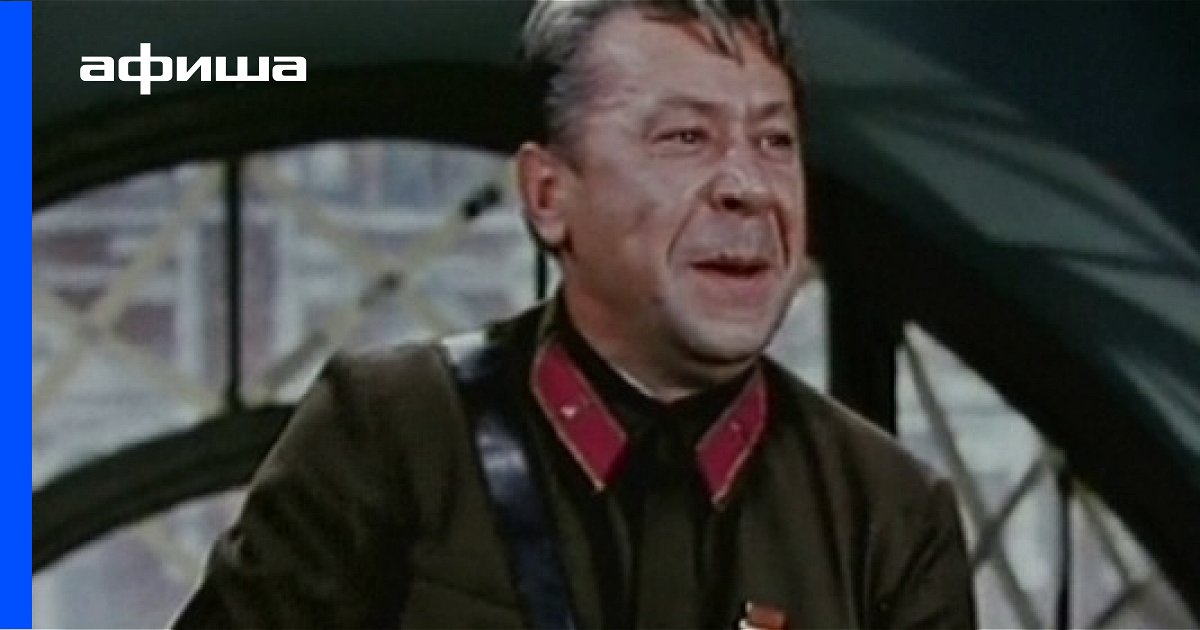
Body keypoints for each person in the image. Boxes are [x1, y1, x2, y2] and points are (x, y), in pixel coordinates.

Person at [174, 0, 976, 628]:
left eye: (775, 142)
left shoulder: (890, 514)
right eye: (686, 137)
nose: (749, 187)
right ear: (549, 195)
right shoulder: (390, 434)